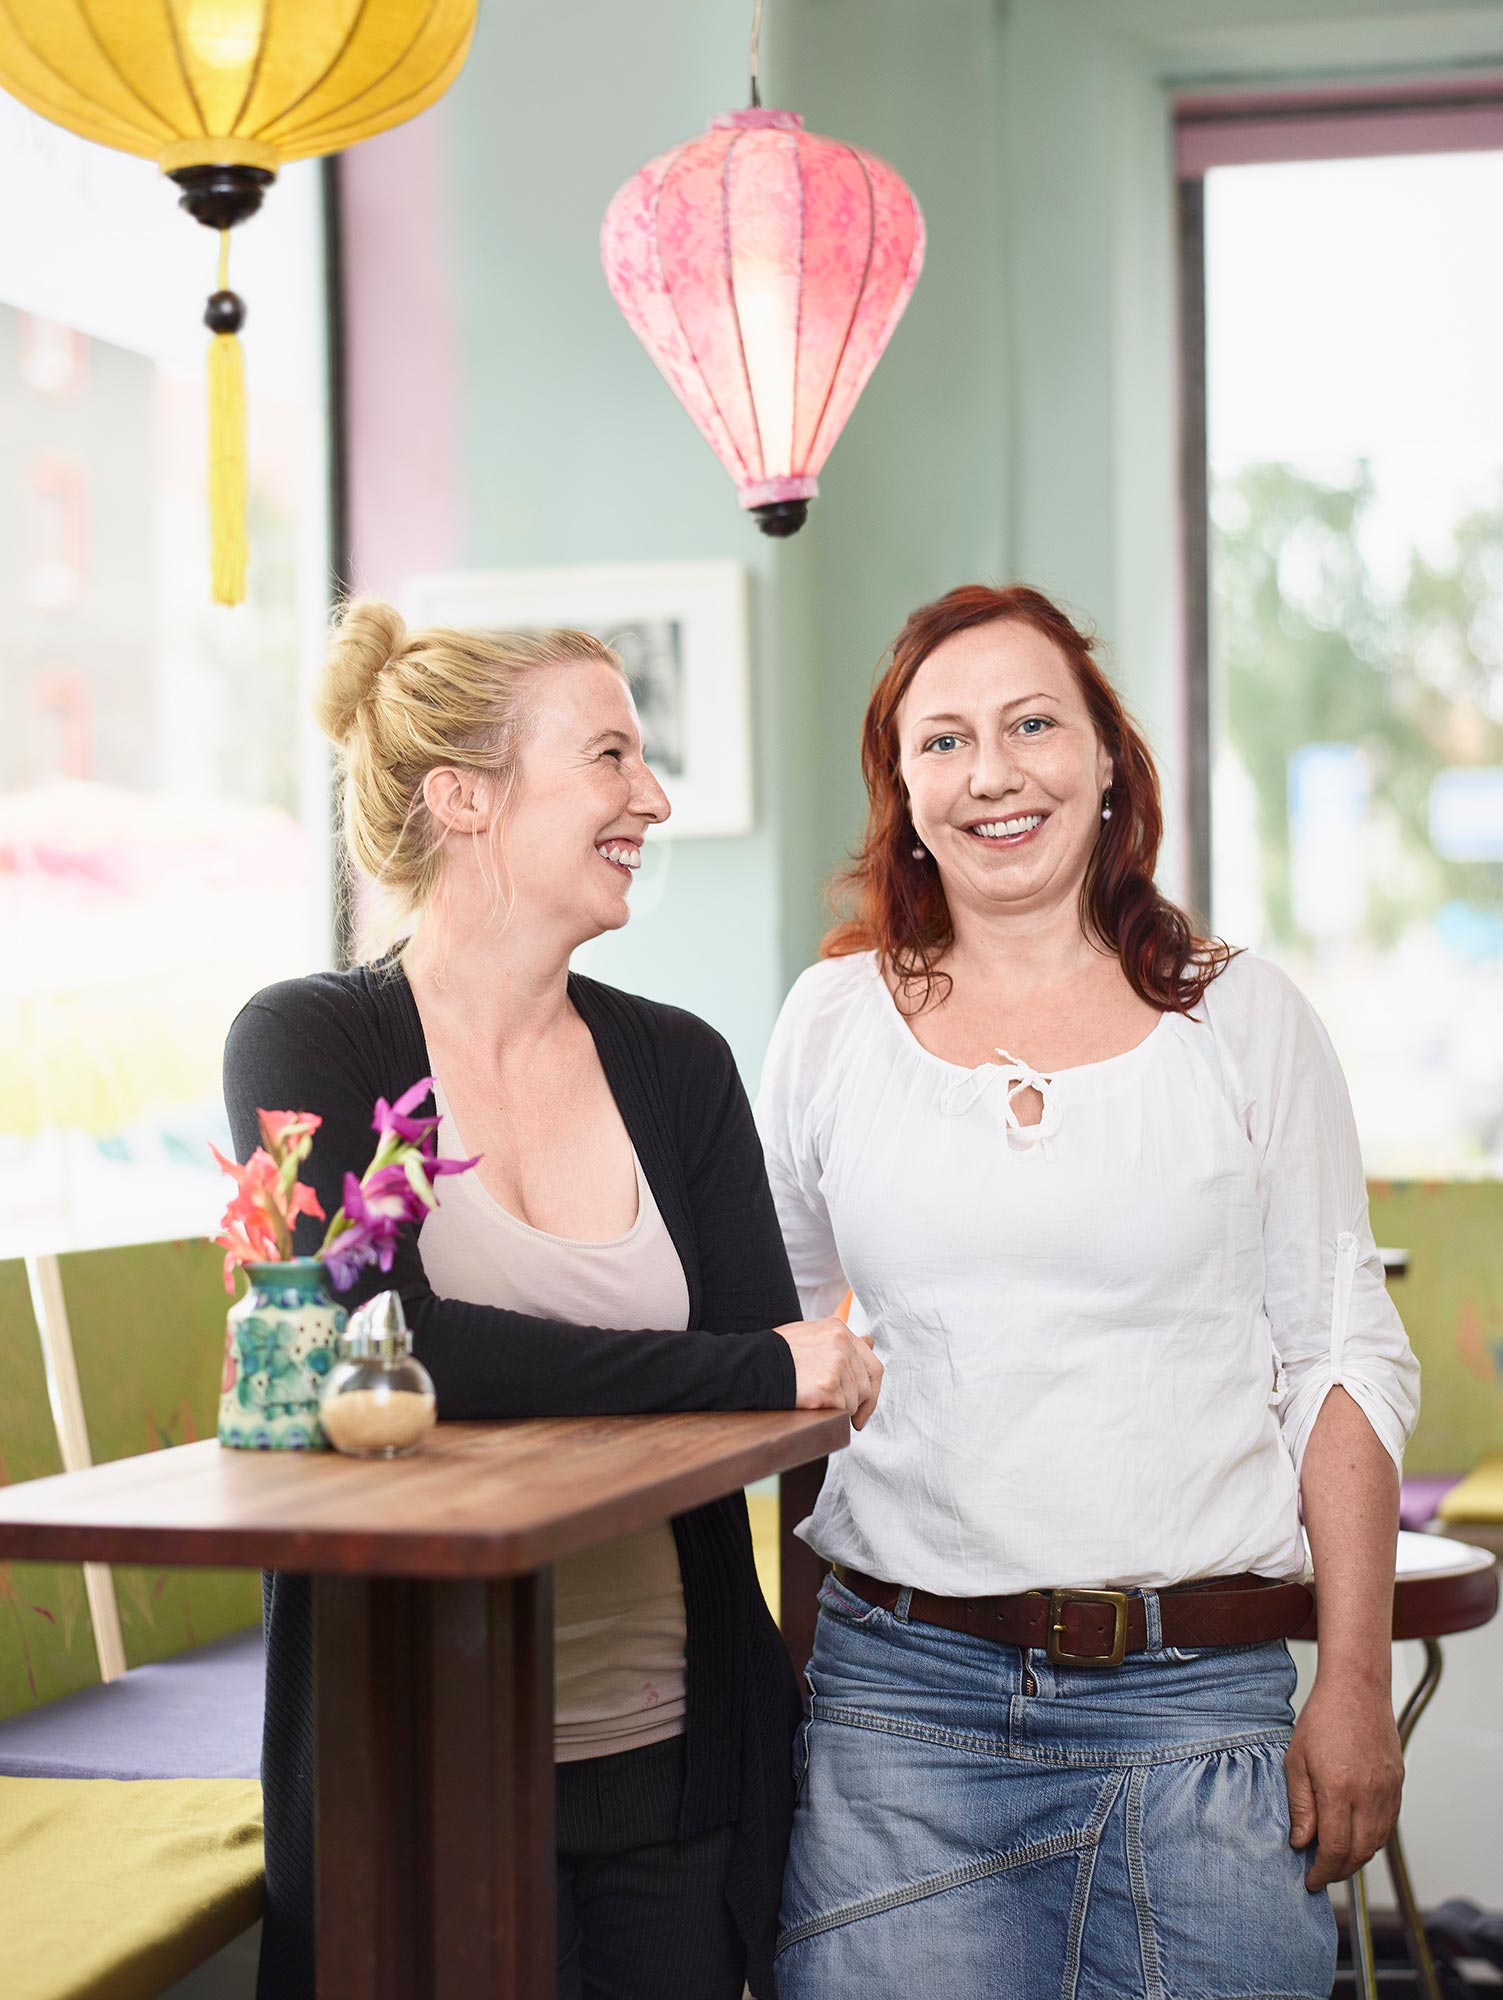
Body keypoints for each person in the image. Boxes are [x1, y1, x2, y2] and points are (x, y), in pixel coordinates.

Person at [755, 584, 1420, 2000]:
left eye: (1031, 723)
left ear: (1107, 759)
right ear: (904, 792)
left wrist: (1353, 1679)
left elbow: (1342, 1351)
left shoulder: (1240, 1018)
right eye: (942, 743)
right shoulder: (830, 1026)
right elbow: (776, 1358)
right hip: (898, 1717)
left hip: (1201, 1713)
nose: (991, 772)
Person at [222, 601, 882, 2000]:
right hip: (410, 1770)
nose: (649, 796)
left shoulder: (680, 1066)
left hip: (674, 1761)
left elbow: (771, 1390)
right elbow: (375, 1353)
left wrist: (758, 1372)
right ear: (464, 797)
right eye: (608, 757)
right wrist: (752, 1368)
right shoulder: (309, 1040)